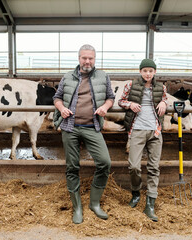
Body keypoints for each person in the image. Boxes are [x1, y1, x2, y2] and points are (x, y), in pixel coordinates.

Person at [53, 44, 115, 224]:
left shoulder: (103, 76)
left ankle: (94, 203)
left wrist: (105, 107)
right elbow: (57, 97)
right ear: (79, 58)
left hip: (92, 126)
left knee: (104, 162)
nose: (87, 61)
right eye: (84, 58)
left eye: (91, 58)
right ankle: (77, 207)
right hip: (70, 127)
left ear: (95, 59)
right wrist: (62, 108)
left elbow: (111, 97)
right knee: (72, 167)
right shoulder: (68, 77)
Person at [118, 58, 167, 222]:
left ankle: (150, 204)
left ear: (155, 72)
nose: (148, 74)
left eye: (151, 71)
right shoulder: (130, 86)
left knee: (154, 167)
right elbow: (121, 101)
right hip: (137, 130)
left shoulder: (161, 87)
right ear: (140, 72)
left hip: (155, 131)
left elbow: (165, 99)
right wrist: (130, 104)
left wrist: (164, 103)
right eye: (145, 71)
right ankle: (136, 193)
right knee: (133, 166)